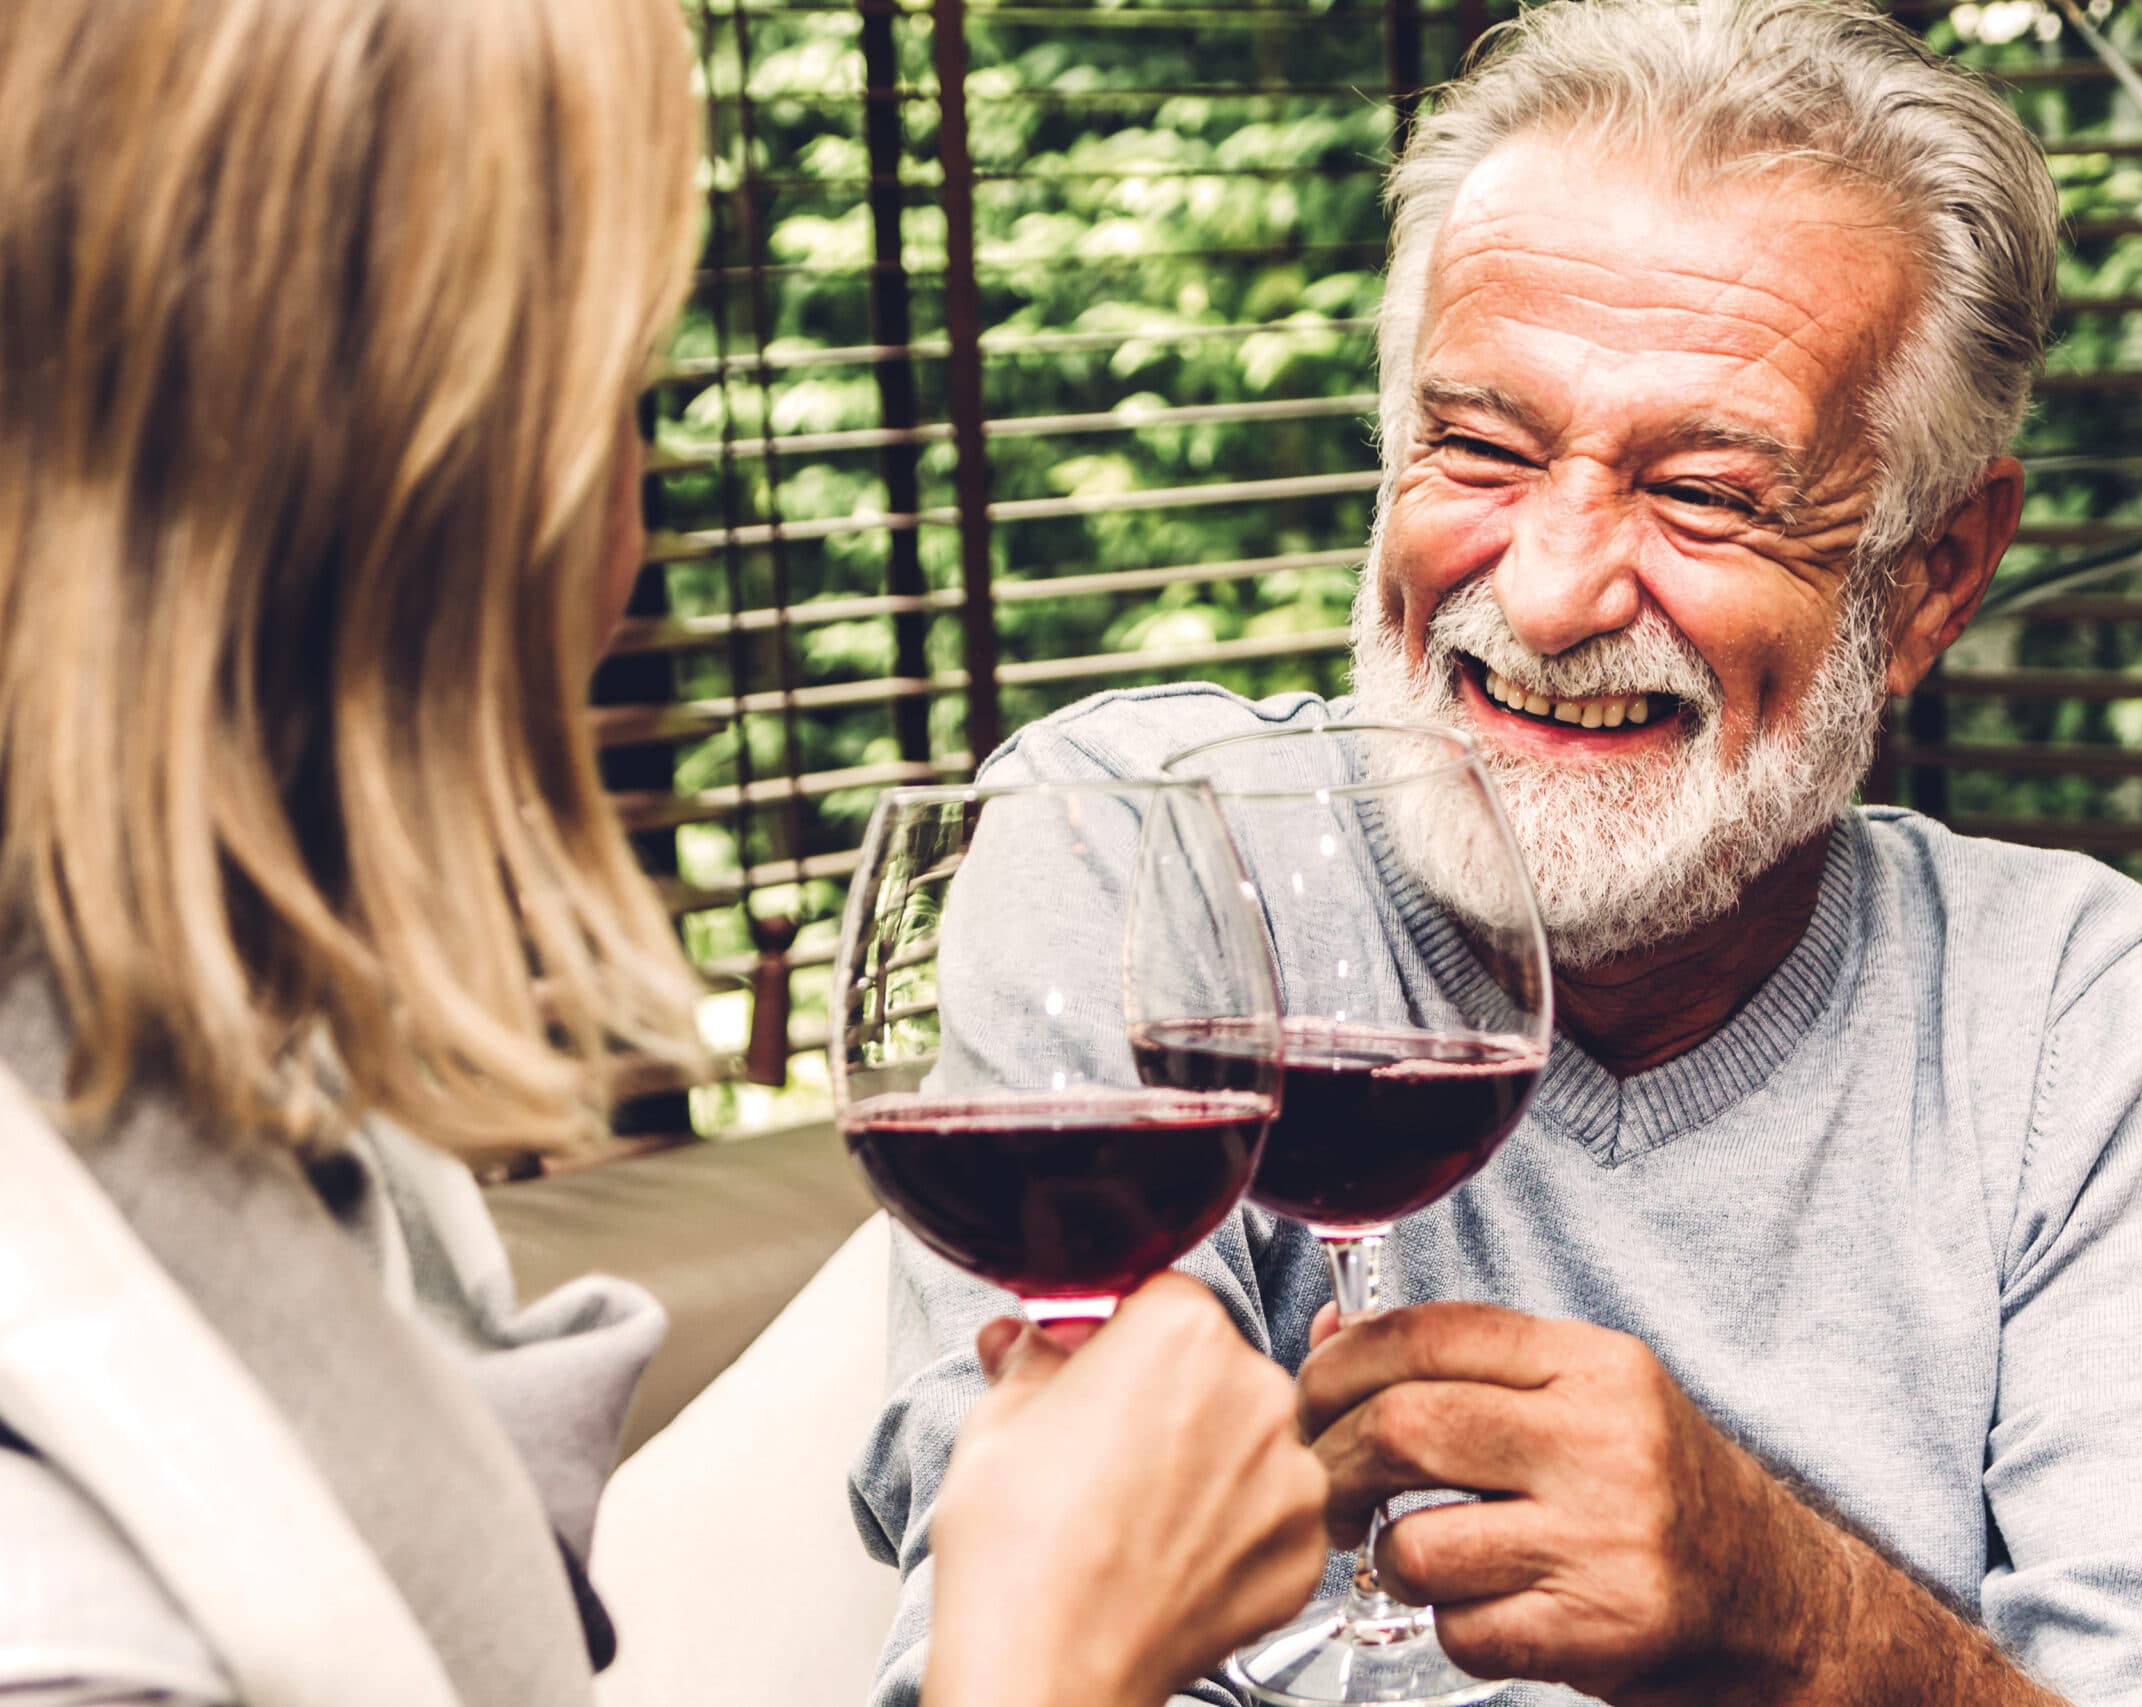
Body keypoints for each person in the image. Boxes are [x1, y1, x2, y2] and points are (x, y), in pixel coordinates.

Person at [854, 2, 2142, 1703]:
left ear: (1935, 574)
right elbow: (1008, 1645)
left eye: (1706, 494)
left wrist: (1799, 1609)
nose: (1554, 594)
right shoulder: (1137, 857)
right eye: (1481, 448)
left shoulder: (2081, 1021)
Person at [0, 2, 1321, 1703]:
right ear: (391, 493)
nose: (641, 517)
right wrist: (1051, 1655)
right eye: (619, 395)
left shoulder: (269, 1142)